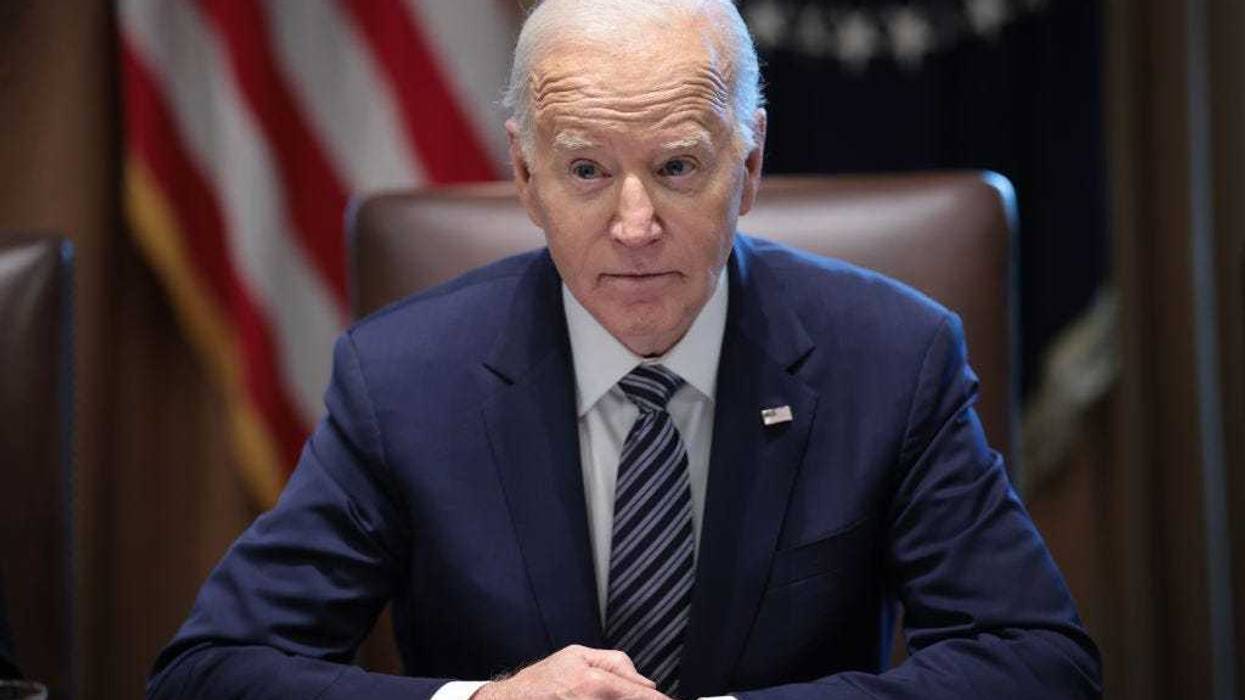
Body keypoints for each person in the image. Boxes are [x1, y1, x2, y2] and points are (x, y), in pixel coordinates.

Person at [148, 1, 1102, 698]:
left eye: (677, 166)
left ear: (748, 164)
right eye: (586, 170)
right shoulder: (402, 381)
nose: (634, 225)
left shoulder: (889, 357)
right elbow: (212, 670)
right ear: (525, 176)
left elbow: (1036, 660)